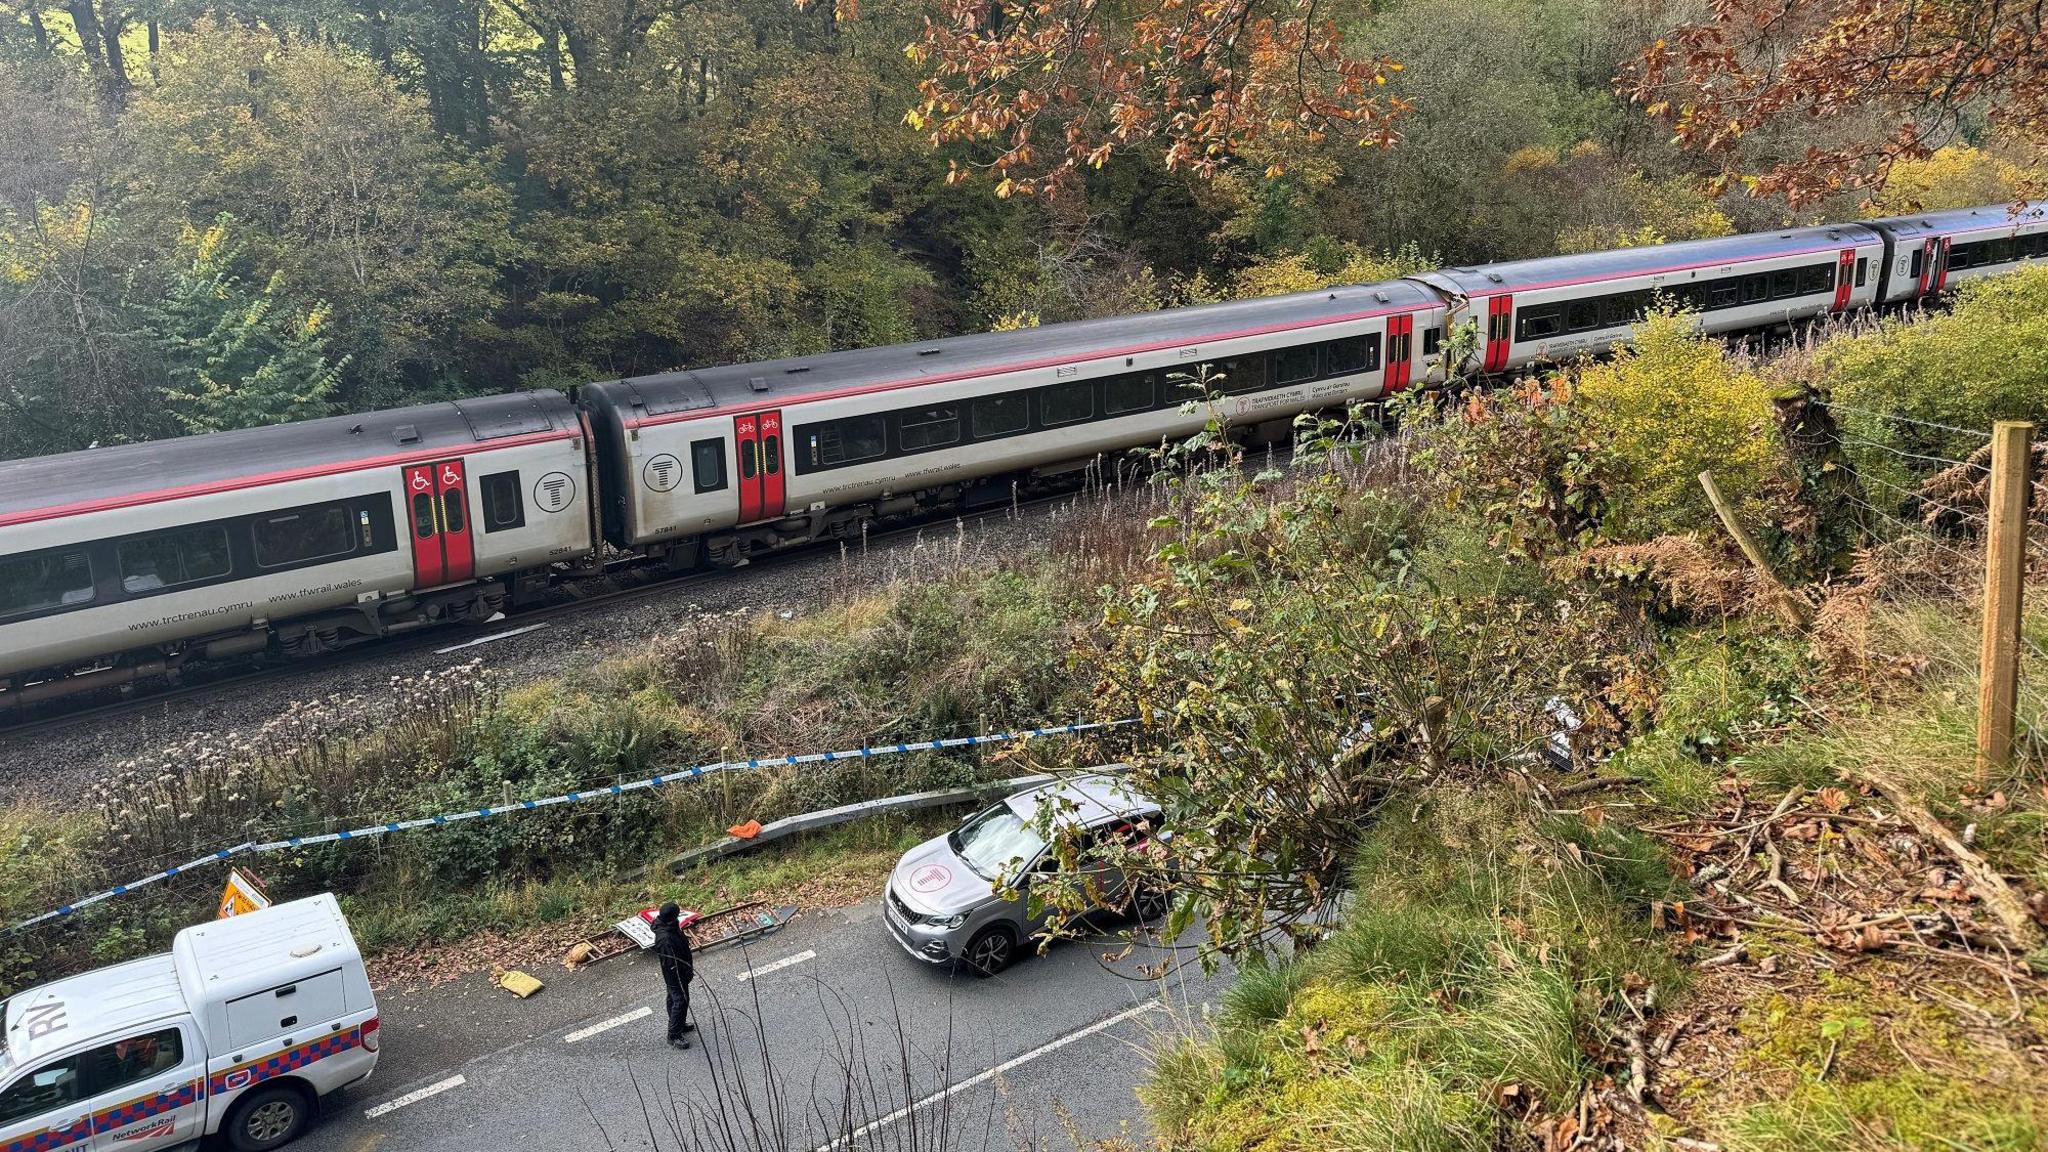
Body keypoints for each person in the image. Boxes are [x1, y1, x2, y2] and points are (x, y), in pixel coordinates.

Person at [652, 903, 698, 1050]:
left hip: (680, 974)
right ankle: (674, 1035)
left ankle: (678, 1024)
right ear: (671, 917)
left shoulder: (669, 926)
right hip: (675, 977)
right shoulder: (665, 939)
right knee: (680, 1001)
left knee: (674, 999)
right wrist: (683, 976)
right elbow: (671, 964)